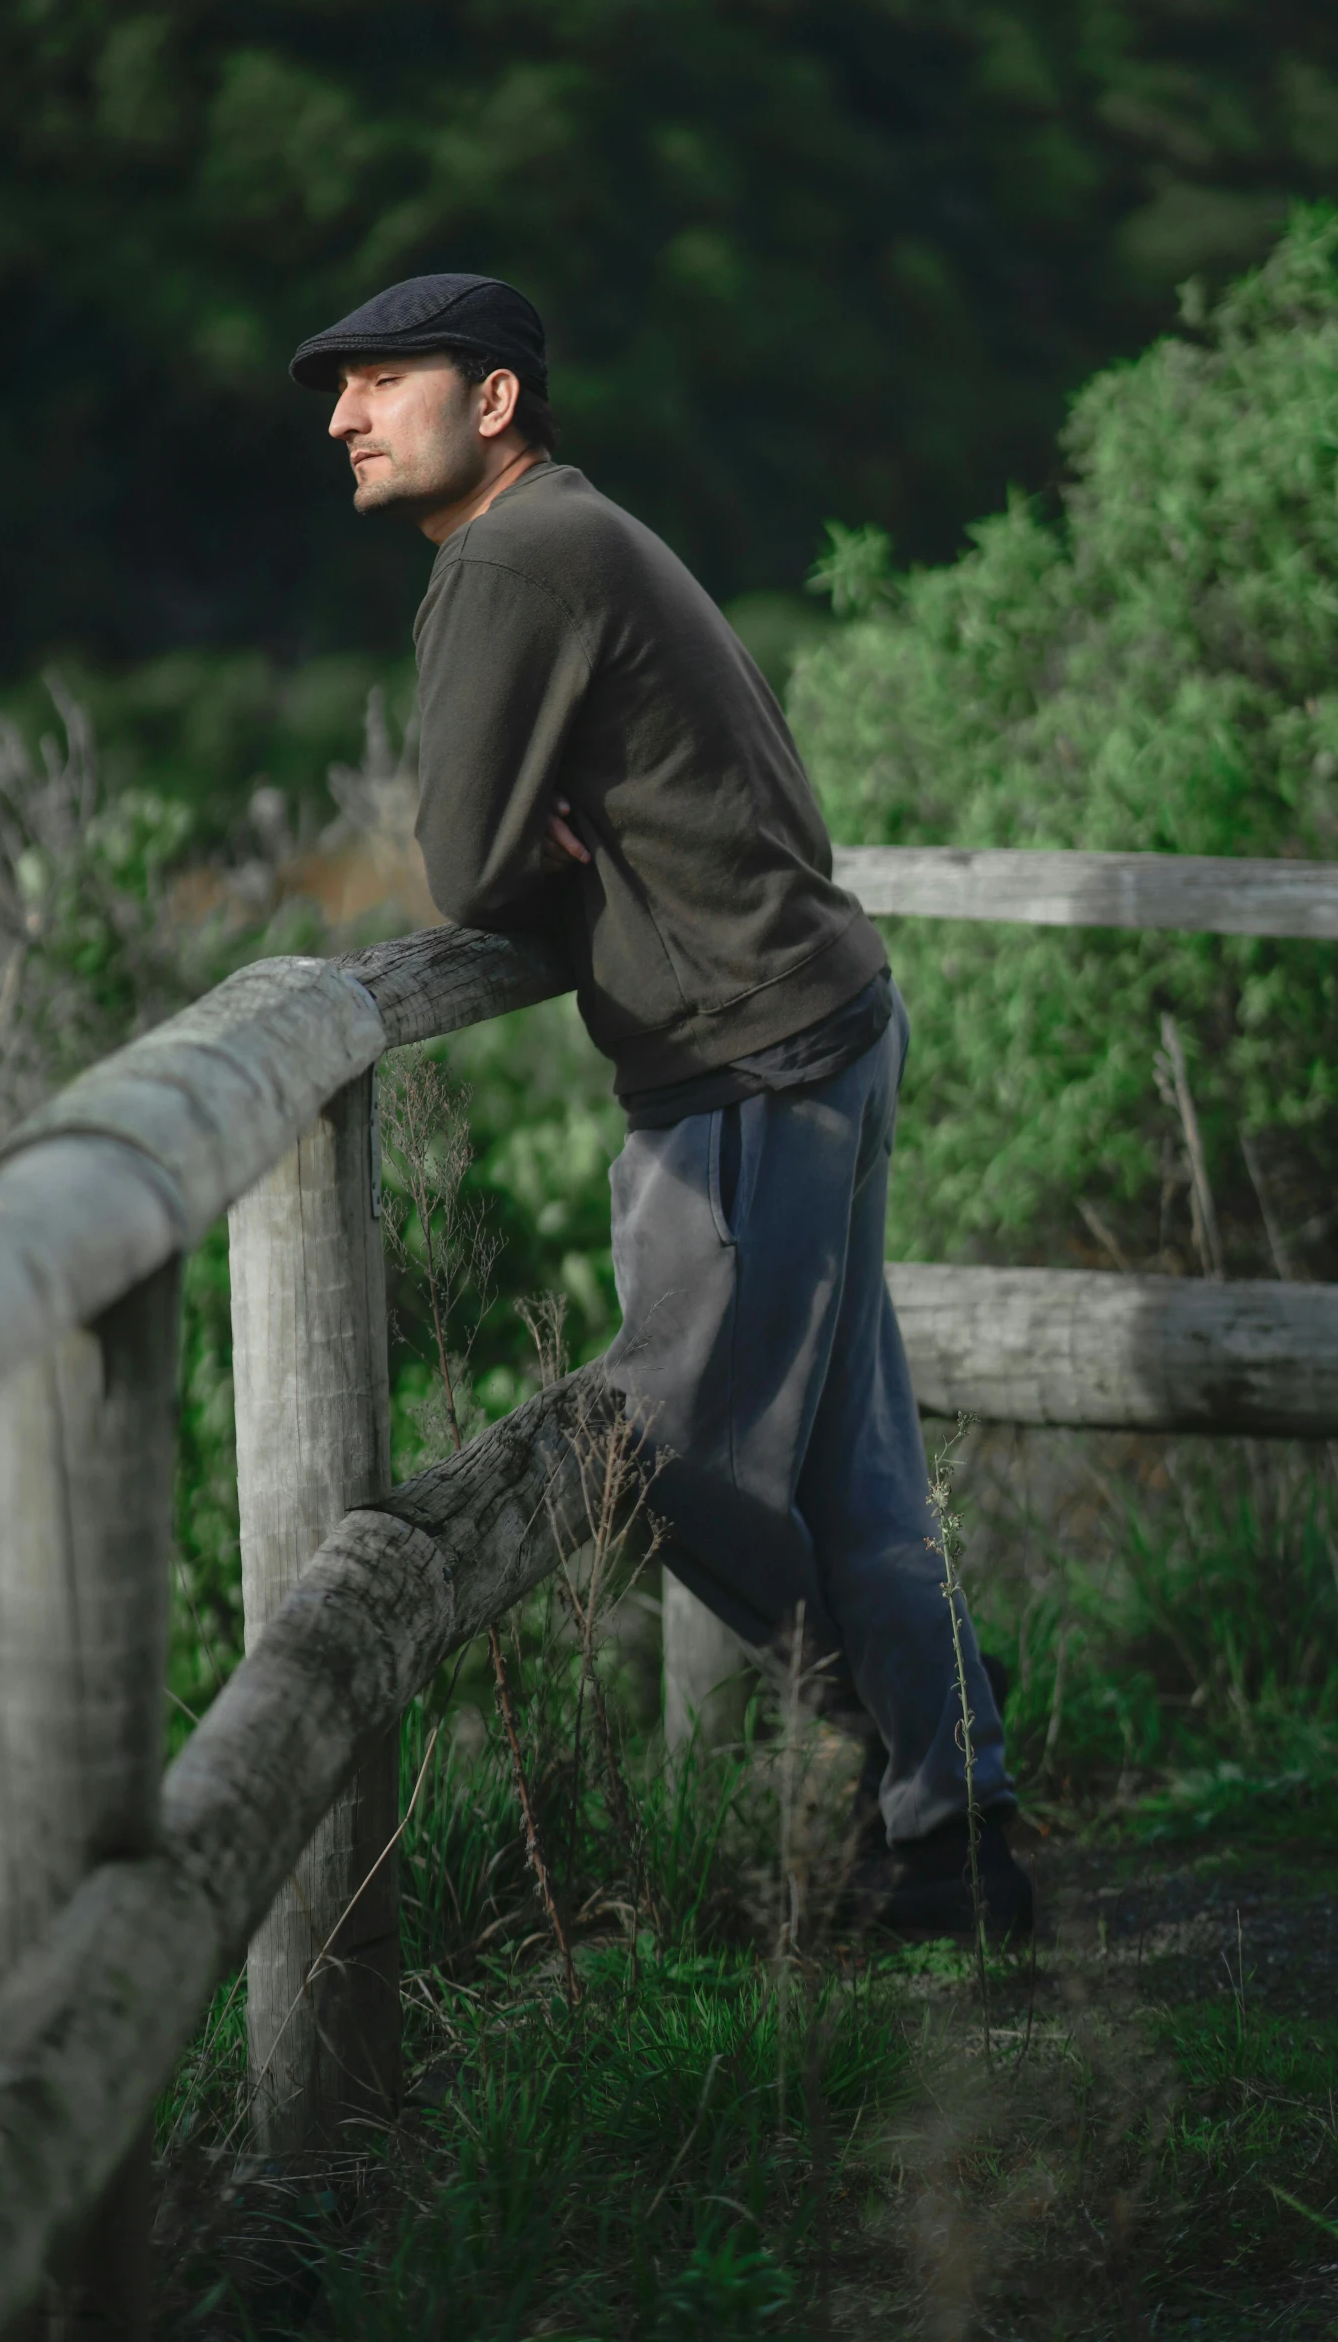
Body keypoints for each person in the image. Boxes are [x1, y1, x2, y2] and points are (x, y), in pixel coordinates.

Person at [290, 272, 1032, 1940]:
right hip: (820, 1015)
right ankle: (955, 1840)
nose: (341, 416)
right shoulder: (586, 531)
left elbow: (473, 868)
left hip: (749, 1057)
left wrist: (545, 841)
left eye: (381, 381)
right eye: (336, 391)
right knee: (854, 1475)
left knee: (655, 1453)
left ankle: (954, 1717)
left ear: (493, 403)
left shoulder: (506, 554)